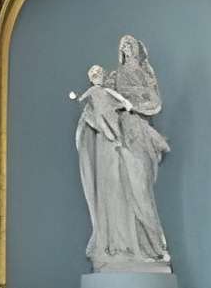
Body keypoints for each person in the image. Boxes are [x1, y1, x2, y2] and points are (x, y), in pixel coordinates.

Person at [71, 37, 172, 271]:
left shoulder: (147, 76)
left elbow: (153, 104)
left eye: (130, 45)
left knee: (141, 190)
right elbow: (103, 102)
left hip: (139, 137)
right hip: (119, 138)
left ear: (138, 49)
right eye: (122, 46)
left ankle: (152, 246)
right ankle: (122, 245)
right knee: (117, 189)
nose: (126, 49)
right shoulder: (114, 77)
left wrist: (131, 106)